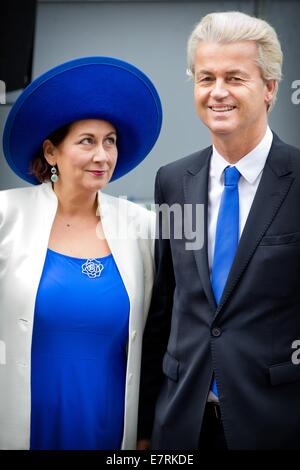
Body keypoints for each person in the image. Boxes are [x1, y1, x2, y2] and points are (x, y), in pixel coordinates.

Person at [137, 11, 300, 450]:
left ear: (269, 89)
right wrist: (144, 427)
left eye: (235, 77)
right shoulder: (173, 180)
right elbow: (168, 306)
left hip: (276, 424)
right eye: (205, 77)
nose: (218, 91)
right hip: (181, 423)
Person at [0, 56, 162, 450]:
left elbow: (160, 333)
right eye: (87, 141)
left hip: (108, 423)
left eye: (110, 141)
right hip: (22, 422)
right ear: (51, 152)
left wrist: (144, 432)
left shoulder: (142, 226)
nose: (102, 156)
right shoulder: (6, 215)